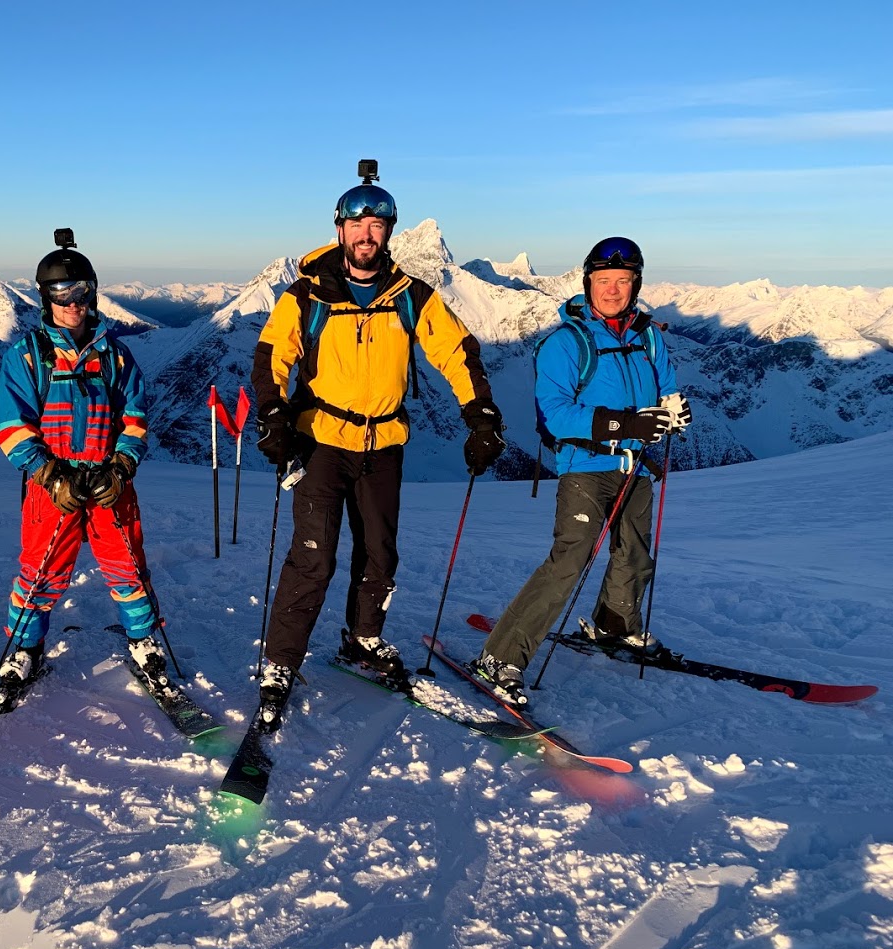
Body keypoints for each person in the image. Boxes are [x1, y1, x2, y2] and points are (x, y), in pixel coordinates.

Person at [250, 163, 506, 730]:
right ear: (339, 229)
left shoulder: (409, 295)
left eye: (377, 225)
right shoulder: (307, 294)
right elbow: (272, 355)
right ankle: (280, 664)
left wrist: (481, 413)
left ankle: (363, 639)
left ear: (389, 231)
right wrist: (272, 412)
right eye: (357, 225)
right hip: (320, 441)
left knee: (379, 554)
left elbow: (455, 352)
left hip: (383, 443)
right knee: (314, 557)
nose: (367, 235)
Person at [473, 236, 691, 705]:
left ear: (636, 285)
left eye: (623, 281)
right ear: (588, 282)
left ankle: (615, 626)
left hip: (638, 467)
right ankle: (500, 656)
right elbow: (554, 414)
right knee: (569, 561)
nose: (613, 289)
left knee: (635, 556)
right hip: (586, 467)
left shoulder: (649, 337)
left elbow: (667, 387)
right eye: (604, 280)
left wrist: (673, 411)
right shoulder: (566, 342)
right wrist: (624, 424)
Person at [0, 230, 164, 696]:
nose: (73, 303)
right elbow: (12, 427)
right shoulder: (28, 356)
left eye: (81, 291)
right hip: (54, 484)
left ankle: (143, 639)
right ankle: (26, 648)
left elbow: (135, 419)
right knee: (41, 569)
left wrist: (121, 467)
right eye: (61, 293)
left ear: (93, 292)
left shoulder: (115, 357)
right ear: (44, 297)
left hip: (109, 479)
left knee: (127, 564)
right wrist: (49, 474)